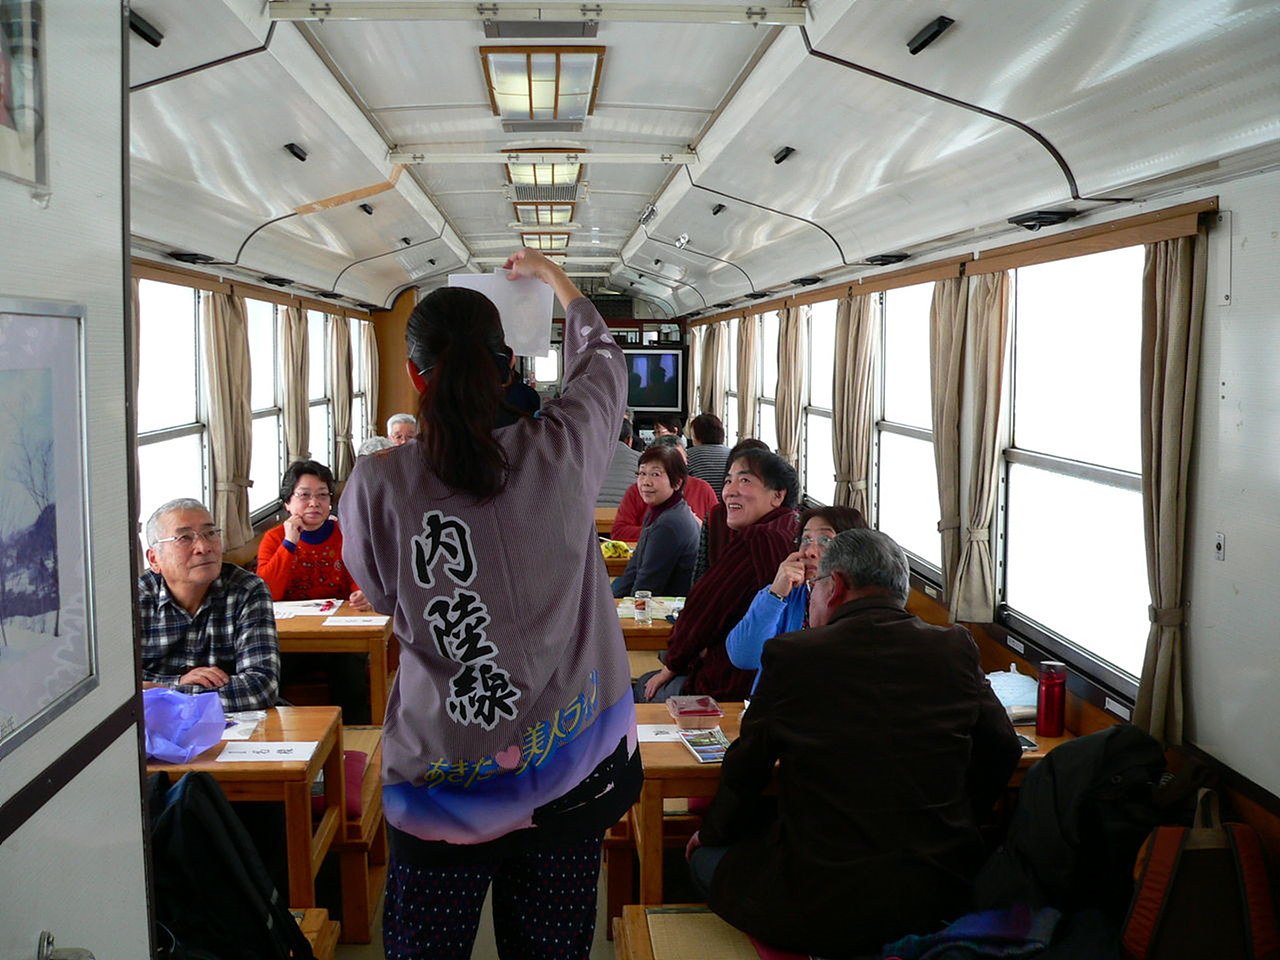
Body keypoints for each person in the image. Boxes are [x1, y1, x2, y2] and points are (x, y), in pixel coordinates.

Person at [341, 247, 641, 959]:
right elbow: (603, 363)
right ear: (510, 365)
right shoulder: (565, 447)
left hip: (446, 779)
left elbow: (382, 594)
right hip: (573, 768)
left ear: (414, 374)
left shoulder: (377, 483)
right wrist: (555, 280)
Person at [686, 529, 1021, 957]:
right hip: (938, 891)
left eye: (815, 587)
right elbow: (1003, 747)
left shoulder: (795, 654)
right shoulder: (953, 646)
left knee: (705, 863)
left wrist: (711, 834)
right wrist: (961, 817)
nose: (812, 597)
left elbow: (745, 770)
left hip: (820, 902)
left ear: (837, 585)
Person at [636, 448, 798, 703]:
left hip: (732, 686)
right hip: (779, 684)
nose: (730, 490)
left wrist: (672, 667)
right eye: (728, 480)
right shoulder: (792, 528)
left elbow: (704, 609)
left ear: (777, 495)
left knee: (644, 685)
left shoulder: (757, 539)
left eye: (745, 480)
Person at [257, 460, 373, 722]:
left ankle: (356, 736)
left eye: (322, 495)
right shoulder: (274, 539)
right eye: (304, 495)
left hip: (338, 635)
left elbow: (360, 577)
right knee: (270, 670)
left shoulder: (347, 534)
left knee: (349, 667)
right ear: (288, 502)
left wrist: (363, 592)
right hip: (289, 639)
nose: (314, 503)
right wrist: (290, 543)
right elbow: (267, 594)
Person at [138, 498, 279, 711]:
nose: (203, 547)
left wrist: (161, 690)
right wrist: (177, 683)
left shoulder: (246, 589)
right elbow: (120, 689)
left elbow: (261, 688)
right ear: (155, 559)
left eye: (210, 533)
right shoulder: (135, 600)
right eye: (184, 538)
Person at [726, 505, 866, 692]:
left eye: (825, 540)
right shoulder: (783, 595)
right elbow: (743, 657)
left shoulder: (862, 604)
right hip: (775, 711)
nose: (810, 552)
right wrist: (775, 594)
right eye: (806, 539)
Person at [611, 444, 699, 598]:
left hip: (667, 612)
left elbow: (647, 586)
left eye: (655, 474)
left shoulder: (670, 523)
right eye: (642, 473)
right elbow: (633, 568)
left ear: (677, 482)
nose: (645, 481)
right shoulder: (661, 511)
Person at [690, 437, 770, 586]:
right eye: (730, 481)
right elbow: (701, 575)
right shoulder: (716, 516)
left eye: (746, 480)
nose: (734, 491)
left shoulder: (780, 525)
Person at [610, 436, 717, 540]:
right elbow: (619, 531)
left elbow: (718, 531)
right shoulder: (638, 491)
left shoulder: (702, 488)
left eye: (680, 462)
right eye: (642, 473)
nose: (646, 482)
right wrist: (660, 532)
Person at [597, 419, 640, 509]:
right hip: (627, 516)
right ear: (629, 440)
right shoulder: (642, 460)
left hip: (591, 517)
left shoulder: (587, 459)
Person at [686, 413, 731, 493]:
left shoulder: (687, 455)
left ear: (696, 436)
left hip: (700, 502)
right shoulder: (732, 454)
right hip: (727, 501)